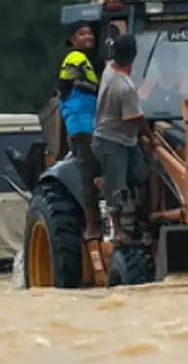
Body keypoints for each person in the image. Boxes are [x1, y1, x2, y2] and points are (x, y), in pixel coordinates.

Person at [91, 34, 155, 243]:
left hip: (126, 140)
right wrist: (151, 137)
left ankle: (142, 219)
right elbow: (136, 118)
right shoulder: (124, 87)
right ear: (134, 56)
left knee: (139, 174)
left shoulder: (109, 68)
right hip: (111, 140)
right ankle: (118, 228)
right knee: (117, 187)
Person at [57, 21, 102, 240]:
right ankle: (92, 226)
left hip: (87, 122)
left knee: (93, 172)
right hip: (81, 124)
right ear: (72, 40)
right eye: (82, 34)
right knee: (88, 174)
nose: (89, 36)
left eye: (90, 33)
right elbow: (79, 84)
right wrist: (104, 89)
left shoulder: (87, 61)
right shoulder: (75, 58)